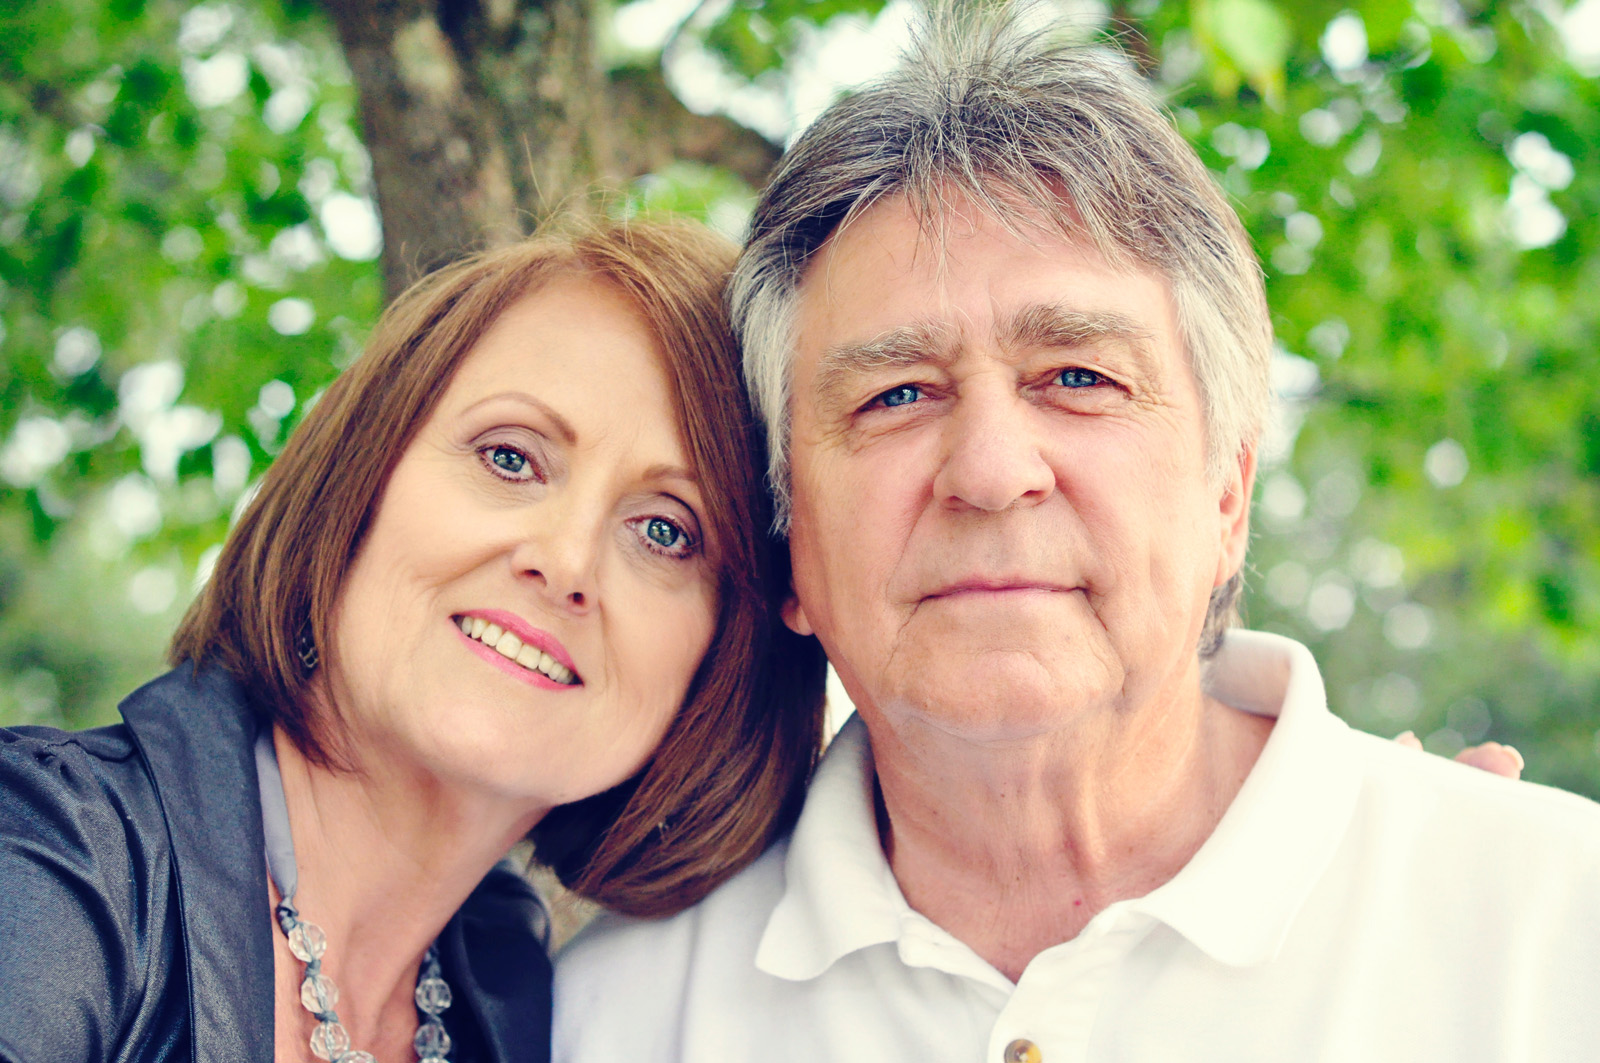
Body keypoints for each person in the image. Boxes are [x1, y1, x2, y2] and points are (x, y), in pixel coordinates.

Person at [553, 6, 1600, 1060]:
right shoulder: (608, 1020)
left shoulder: (1556, 932)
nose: (990, 472)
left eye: (1078, 377)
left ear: (1227, 498)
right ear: (787, 543)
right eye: (896, 394)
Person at [0, 219, 826, 1063]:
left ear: (725, 660)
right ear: (360, 473)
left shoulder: (530, 1017)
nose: (565, 561)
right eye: (510, 457)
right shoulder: (46, 854)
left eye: (664, 530)